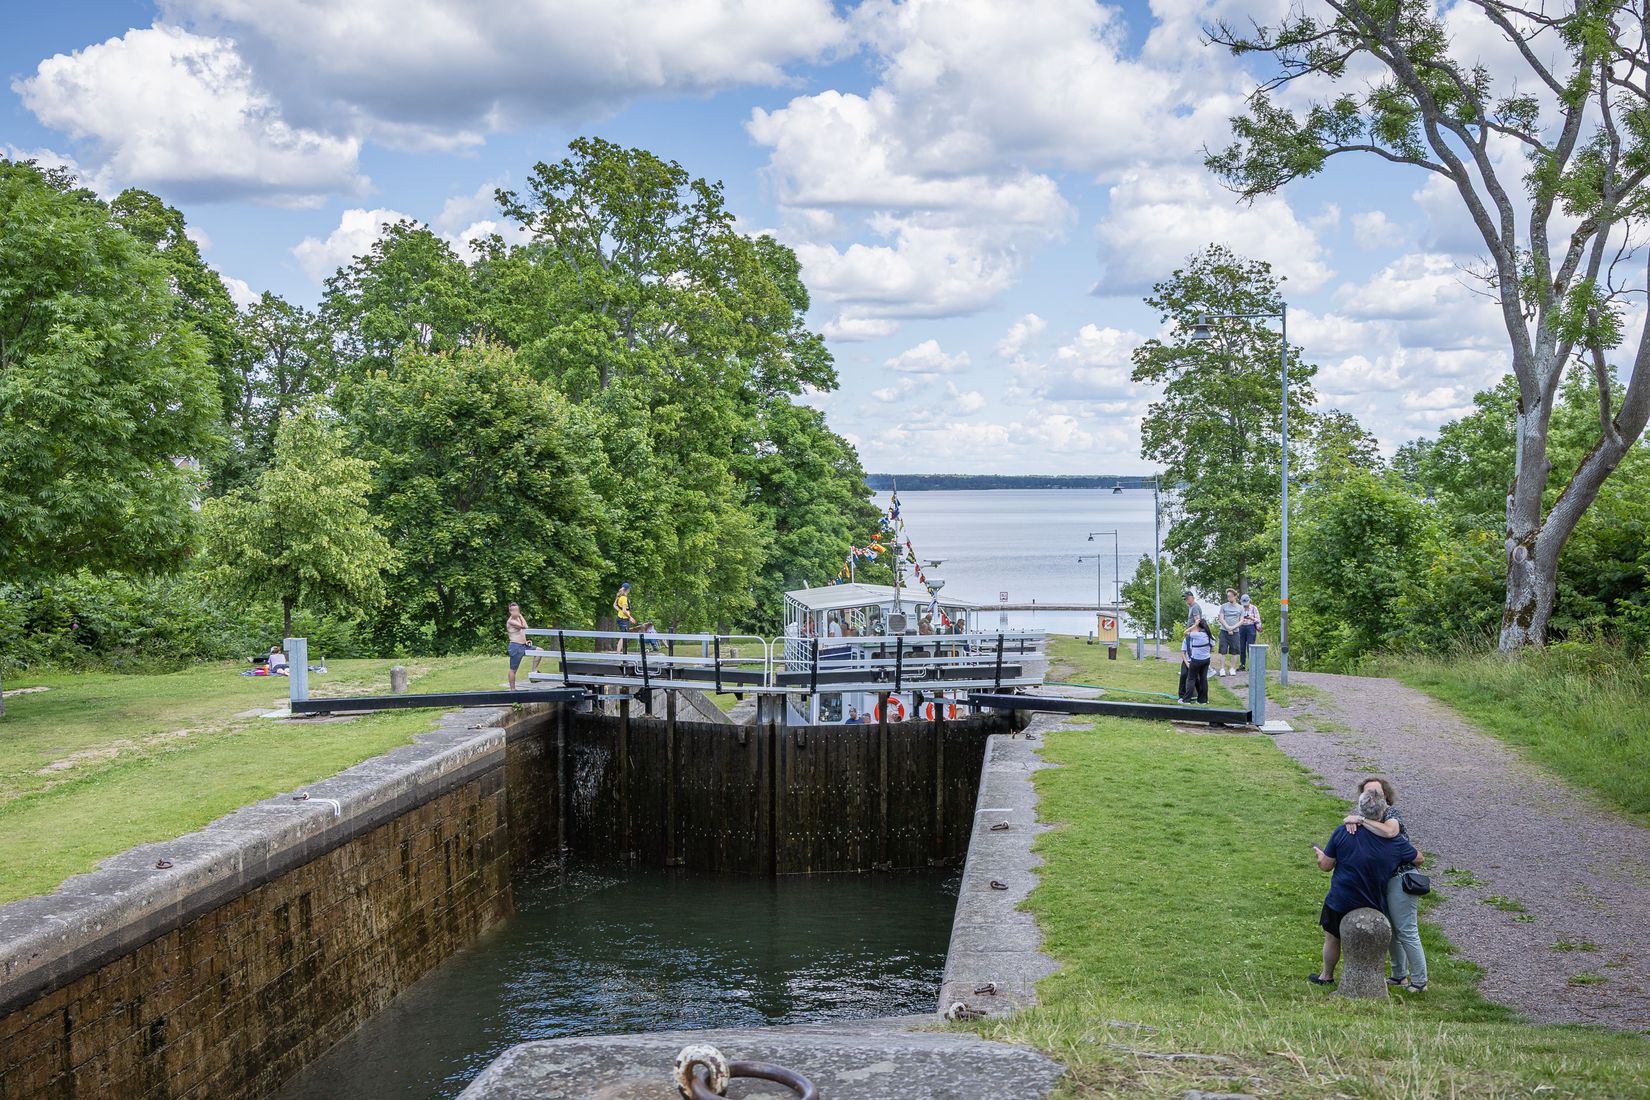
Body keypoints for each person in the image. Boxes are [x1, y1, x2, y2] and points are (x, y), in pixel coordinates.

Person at [1310, 787, 1420, 987]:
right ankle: (1372, 978)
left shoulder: (1344, 832)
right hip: (1372, 901)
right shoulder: (1394, 841)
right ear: (1383, 811)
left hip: (1341, 899)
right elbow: (1419, 858)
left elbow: (1326, 866)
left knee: (1332, 937)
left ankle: (1326, 975)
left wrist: (1319, 855)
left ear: (1360, 809)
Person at [1345, 777, 1429, 991]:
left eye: (1376, 792)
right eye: (1368, 792)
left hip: (1401, 877)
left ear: (1385, 796)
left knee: (1407, 930)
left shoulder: (1391, 814)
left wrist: (1361, 821)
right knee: (1392, 929)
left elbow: (1391, 832)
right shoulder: (1364, 816)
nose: (1372, 795)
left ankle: (1420, 981)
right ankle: (1399, 974)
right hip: (1385, 880)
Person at [1178, 616, 1213, 704]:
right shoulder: (1210, 636)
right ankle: (1203, 700)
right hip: (1206, 660)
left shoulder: (1197, 635)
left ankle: (1186, 700)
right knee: (1203, 679)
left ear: (1198, 626)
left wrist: (1194, 625)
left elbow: (1185, 632)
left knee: (1191, 679)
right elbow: (1212, 648)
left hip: (1196, 660)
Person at [1216, 588, 1244, 677]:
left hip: (1235, 632)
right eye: (1228, 596)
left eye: (1231, 596)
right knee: (1222, 650)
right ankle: (1222, 669)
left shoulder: (1240, 607)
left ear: (1235, 596)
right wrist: (1228, 627)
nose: (1229, 598)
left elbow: (1241, 620)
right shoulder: (1224, 606)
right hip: (1224, 631)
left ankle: (1232, 668)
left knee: (1234, 650)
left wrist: (1232, 628)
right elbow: (1221, 618)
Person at [506, 603, 530, 690]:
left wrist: (526, 641)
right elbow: (524, 627)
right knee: (513, 669)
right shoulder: (511, 621)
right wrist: (520, 616)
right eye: (514, 610)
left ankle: (534, 671)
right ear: (510, 611)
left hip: (524, 645)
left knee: (540, 650)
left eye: (518, 610)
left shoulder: (519, 619)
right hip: (515, 646)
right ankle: (513, 689)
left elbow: (525, 628)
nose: (516, 612)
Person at [1238, 594, 1261, 672]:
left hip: (1251, 627)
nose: (1245, 605)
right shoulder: (1239, 608)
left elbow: (1258, 620)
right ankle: (1242, 664)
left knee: (1250, 647)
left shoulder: (1254, 608)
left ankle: (1251, 665)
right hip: (1241, 627)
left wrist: (1251, 618)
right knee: (1242, 647)